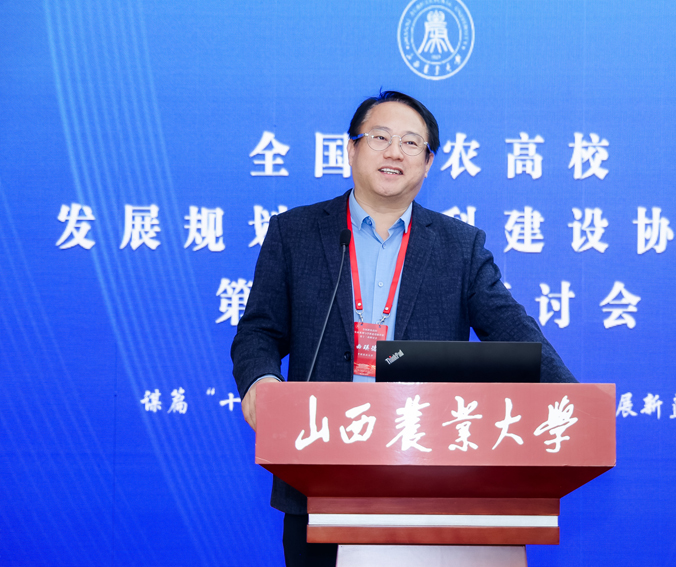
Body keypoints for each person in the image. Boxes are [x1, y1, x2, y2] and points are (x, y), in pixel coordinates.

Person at [231, 90, 576, 566]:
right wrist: (261, 381)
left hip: (428, 473)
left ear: (428, 163)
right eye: (380, 137)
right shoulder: (295, 233)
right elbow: (259, 331)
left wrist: (573, 403)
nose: (395, 152)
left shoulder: (459, 246)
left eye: (411, 143)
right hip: (319, 467)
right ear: (351, 148)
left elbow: (513, 328)